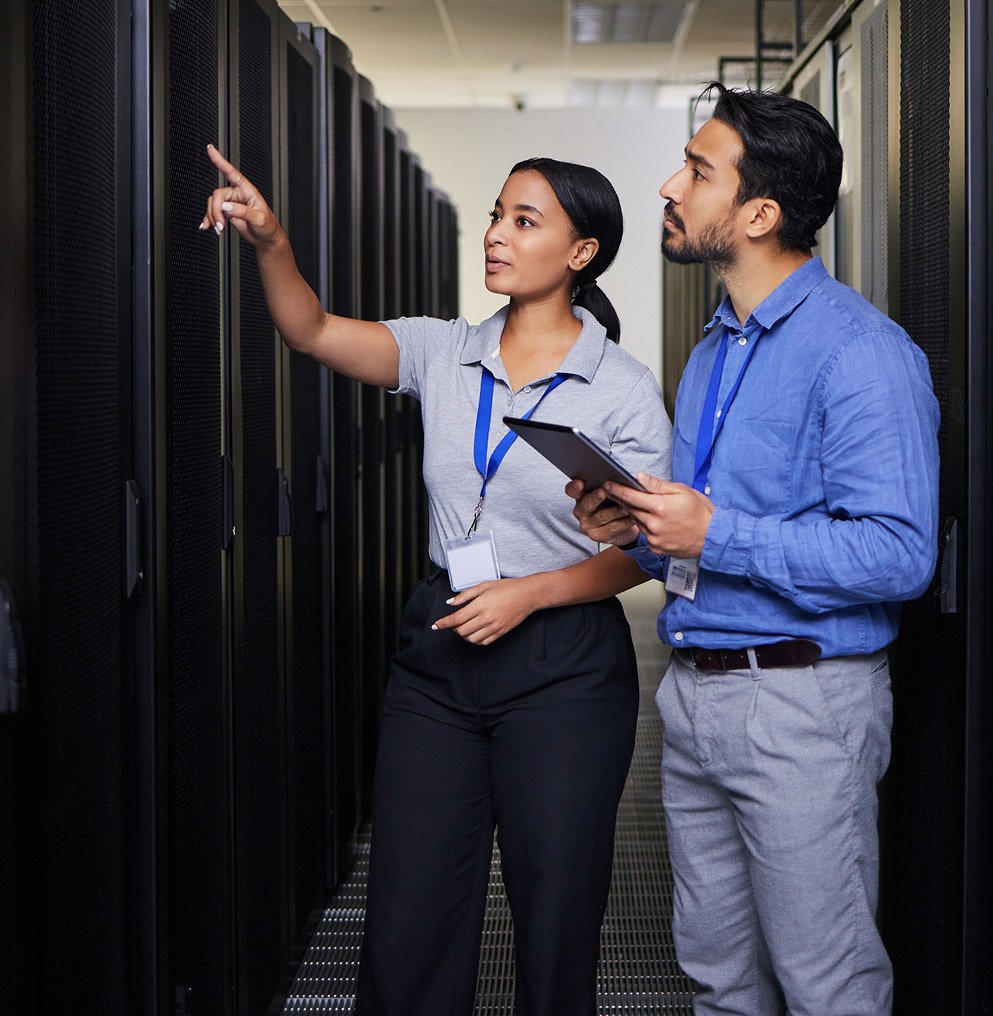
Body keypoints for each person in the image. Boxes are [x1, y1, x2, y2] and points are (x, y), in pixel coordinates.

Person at [200, 147, 673, 1015]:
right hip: (441, 653)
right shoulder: (443, 352)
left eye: (524, 222)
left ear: (581, 253)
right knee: (408, 923)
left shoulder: (623, 390)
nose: (496, 235)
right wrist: (268, 240)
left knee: (556, 921)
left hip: (564, 667)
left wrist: (530, 593)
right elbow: (310, 329)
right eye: (498, 214)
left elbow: (646, 551)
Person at [568, 83, 940, 1016]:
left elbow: (899, 555)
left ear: (760, 214)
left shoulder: (861, 352)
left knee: (827, 987)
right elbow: (704, 542)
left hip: (802, 711)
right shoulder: (714, 350)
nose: (671, 185)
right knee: (721, 983)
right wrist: (645, 533)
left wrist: (713, 530)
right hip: (695, 696)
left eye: (697, 172)